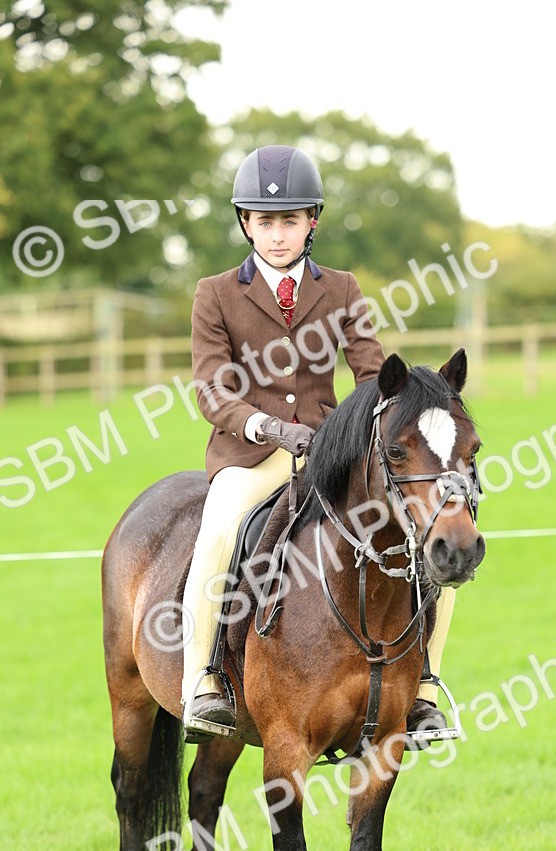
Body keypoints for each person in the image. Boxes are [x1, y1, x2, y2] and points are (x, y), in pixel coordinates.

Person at [182, 143, 456, 739]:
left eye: (290, 221)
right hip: (252, 454)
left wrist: (364, 425)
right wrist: (266, 425)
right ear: (245, 224)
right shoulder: (216, 293)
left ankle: (426, 683)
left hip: (330, 456)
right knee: (221, 529)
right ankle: (203, 679)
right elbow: (210, 388)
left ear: (312, 222)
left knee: (428, 531)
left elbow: (372, 374)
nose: (277, 235)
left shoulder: (343, 288)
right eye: (265, 222)